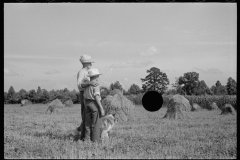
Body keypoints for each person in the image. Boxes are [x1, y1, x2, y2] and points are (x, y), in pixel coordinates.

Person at [75, 55, 98, 141]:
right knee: (86, 116)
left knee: (89, 116)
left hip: (89, 94)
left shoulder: (88, 71)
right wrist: (90, 83)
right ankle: (83, 137)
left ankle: (87, 136)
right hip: (84, 95)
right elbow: (80, 85)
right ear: (86, 63)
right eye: (90, 62)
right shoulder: (82, 72)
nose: (91, 64)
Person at [83, 68, 105, 142]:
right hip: (94, 104)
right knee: (96, 123)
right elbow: (96, 96)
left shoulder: (87, 84)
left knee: (87, 123)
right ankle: (95, 140)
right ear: (96, 76)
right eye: (98, 76)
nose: (98, 77)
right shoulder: (96, 84)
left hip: (87, 103)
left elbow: (82, 86)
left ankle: (87, 139)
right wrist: (101, 108)